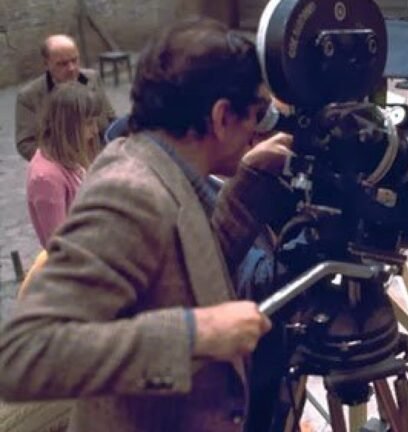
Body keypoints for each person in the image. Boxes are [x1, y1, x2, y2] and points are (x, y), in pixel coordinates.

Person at [0, 18, 295, 432]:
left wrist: (248, 185)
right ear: (221, 116)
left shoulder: (165, 167)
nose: (255, 133)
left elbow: (183, 263)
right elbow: (25, 353)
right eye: (255, 118)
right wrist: (196, 334)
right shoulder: (130, 191)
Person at [15, 34, 116, 161]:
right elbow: (26, 144)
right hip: (62, 165)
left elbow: (110, 118)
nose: (71, 68)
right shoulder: (29, 96)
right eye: (62, 64)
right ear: (46, 64)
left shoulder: (91, 78)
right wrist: (62, 161)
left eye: (75, 60)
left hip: (100, 158)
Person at [27, 83, 103, 247]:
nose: (95, 130)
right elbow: (60, 246)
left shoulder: (69, 156)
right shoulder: (46, 178)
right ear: (69, 126)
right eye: (89, 123)